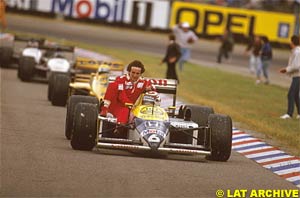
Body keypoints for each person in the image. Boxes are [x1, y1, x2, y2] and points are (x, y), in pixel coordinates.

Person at [100, 60, 155, 124]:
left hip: (134, 108)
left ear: (141, 74)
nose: (134, 75)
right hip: (118, 106)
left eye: (137, 74)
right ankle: (105, 109)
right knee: (113, 85)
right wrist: (130, 104)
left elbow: (153, 89)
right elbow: (121, 96)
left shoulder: (144, 82)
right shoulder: (120, 79)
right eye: (133, 72)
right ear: (129, 72)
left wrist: (149, 89)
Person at [279, 35, 300, 119]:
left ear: (292, 42)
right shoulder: (295, 51)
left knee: (290, 94)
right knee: (295, 95)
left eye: (290, 41)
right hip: (296, 75)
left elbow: (296, 66)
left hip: (298, 76)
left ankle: (289, 114)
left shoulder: (297, 52)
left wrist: (286, 69)